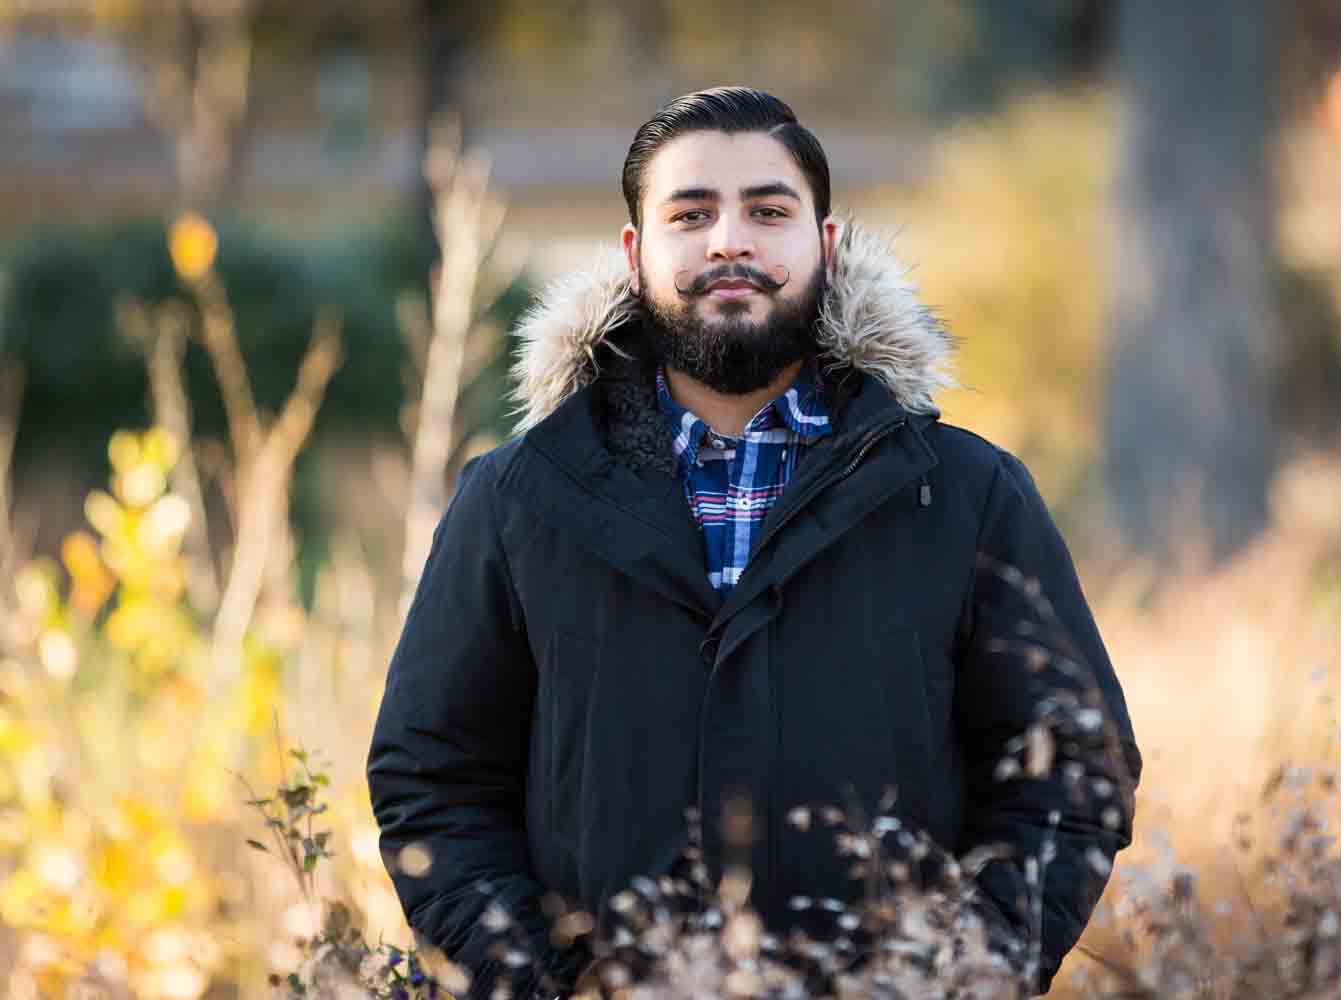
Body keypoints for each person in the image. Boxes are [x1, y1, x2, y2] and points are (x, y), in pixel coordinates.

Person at [367, 86, 1140, 999]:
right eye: (690, 214)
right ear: (634, 252)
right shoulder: (516, 499)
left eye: (768, 211)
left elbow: (1072, 771)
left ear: (826, 242)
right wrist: (541, 980)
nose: (729, 239)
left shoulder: (966, 493)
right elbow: (432, 781)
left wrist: (958, 975)